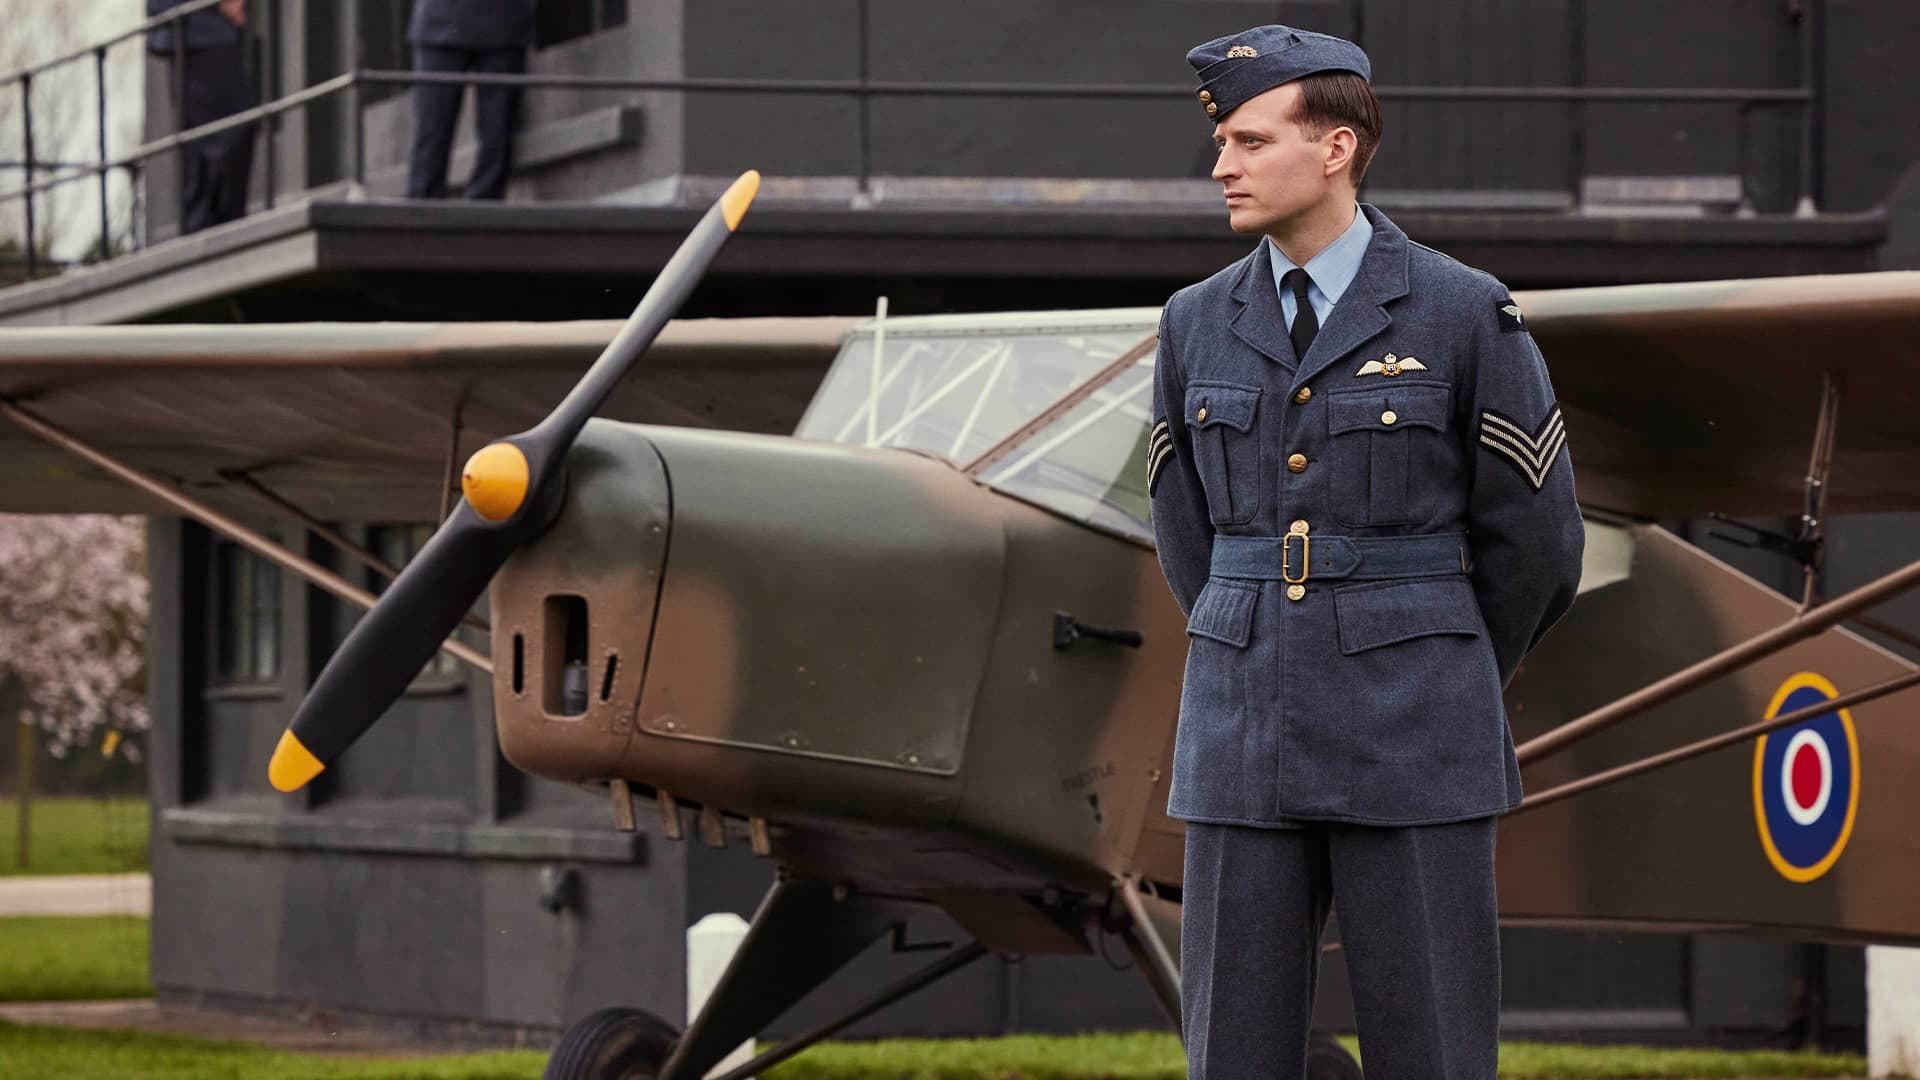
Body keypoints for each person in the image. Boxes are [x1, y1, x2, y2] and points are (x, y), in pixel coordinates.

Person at [1146, 24, 1585, 1080]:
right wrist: (1262, 641)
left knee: (1430, 1046)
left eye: (1251, 141)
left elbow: (1537, 542)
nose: (1222, 166)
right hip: (1241, 734)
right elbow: (1187, 535)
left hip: (1416, 731)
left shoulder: (1462, 311)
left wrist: (1438, 662)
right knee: (1233, 1052)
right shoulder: (1194, 322)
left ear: (1335, 147)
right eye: (1224, 143)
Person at [405, 0, 537, 200]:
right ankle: (426, 208)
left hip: (500, 24)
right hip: (444, 25)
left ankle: (480, 208)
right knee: (433, 131)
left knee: (496, 133)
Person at [147, 0, 255, 234]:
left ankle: (209, 221)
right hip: (196, 28)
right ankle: (212, 222)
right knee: (227, 130)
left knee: (211, 134)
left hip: (200, 30)